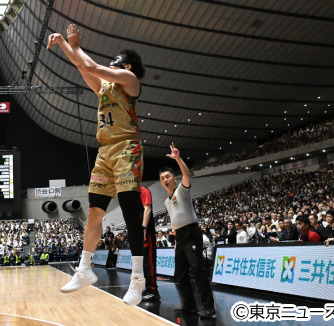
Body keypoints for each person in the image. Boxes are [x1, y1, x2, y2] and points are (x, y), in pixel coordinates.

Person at [48, 24, 147, 306]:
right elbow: (85, 68)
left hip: (126, 147)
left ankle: (138, 279)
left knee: (130, 211)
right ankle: (85, 269)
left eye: (116, 59)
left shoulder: (128, 79)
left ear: (125, 65)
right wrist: (67, 46)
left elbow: (89, 64)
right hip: (105, 152)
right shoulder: (105, 88)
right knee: (93, 212)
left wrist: (73, 45)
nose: (112, 61)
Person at [162, 143, 216, 318]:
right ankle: (190, 305)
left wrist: (177, 158)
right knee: (180, 273)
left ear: (174, 178)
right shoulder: (166, 201)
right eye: (162, 178)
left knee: (198, 270)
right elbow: (174, 222)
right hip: (180, 237)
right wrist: (177, 242)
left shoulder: (182, 191)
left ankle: (208, 306)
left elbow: (187, 173)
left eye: (168, 176)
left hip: (192, 233)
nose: (165, 179)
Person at [140, 185, 159, 301]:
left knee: (150, 262)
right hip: (140, 232)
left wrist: (144, 229)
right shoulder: (133, 193)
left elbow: (147, 209)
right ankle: (147, 287)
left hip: (147, 232)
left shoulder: (144, 191)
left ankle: (153, 290)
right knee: (144, 263)